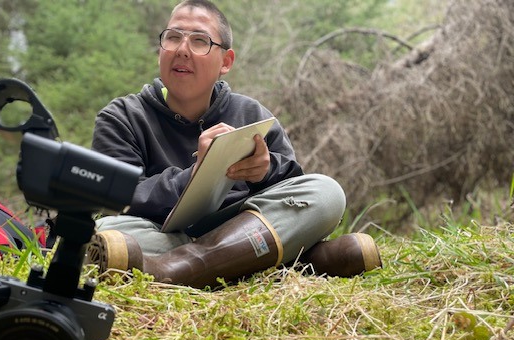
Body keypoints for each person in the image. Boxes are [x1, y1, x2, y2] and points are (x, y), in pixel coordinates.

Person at [88, 0, 381, 288]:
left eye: (200, 41)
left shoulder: (251, 114)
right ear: (160, 49)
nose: (181, 50)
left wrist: (265, 170)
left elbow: (293, 190)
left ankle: (175, 268)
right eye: (173, 37)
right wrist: (194, 174)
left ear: (226, 62)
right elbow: (116, 199)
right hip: (164, 232)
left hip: (241, 224)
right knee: (104, 233)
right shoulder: (122, 116)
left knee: (326, 192)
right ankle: (297, 263)